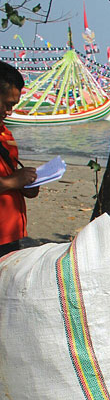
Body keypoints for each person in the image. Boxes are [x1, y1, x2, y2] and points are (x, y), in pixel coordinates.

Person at [0, 61, 38, 258]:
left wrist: (24, 184)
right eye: (7, 105)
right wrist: (12, 182)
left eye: (13, 106)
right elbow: (9, 180)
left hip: (10, 234)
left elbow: (10, 173)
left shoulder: (4, 133)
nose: (9, 112)